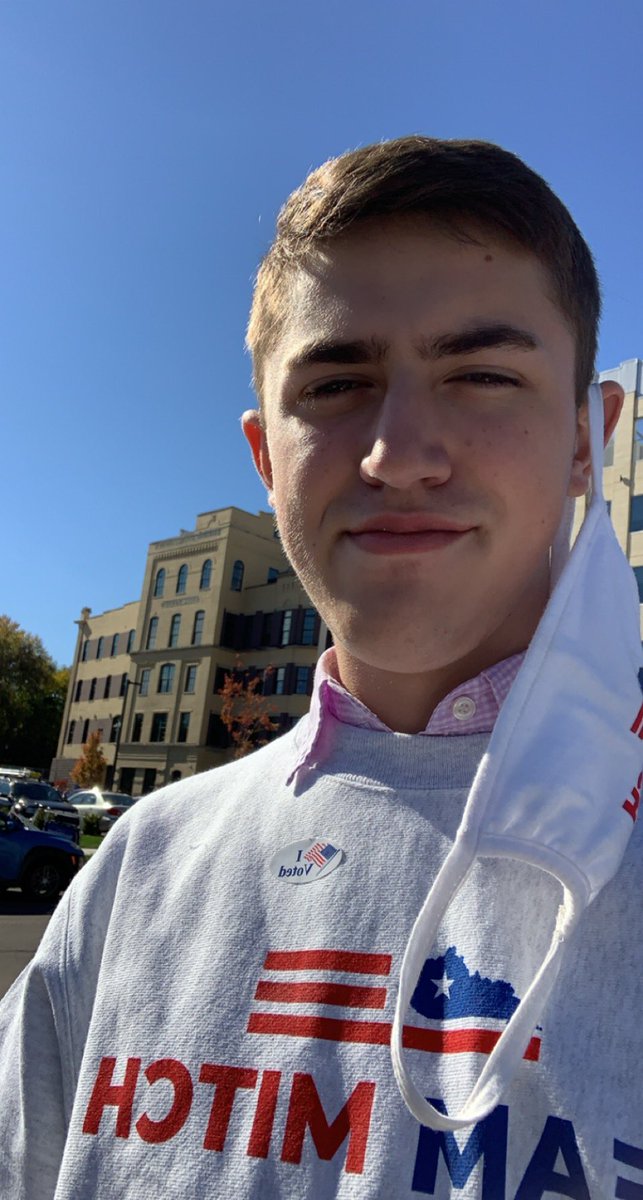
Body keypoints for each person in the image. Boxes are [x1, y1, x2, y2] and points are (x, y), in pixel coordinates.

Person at [1, 136, 641, 1199]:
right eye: (338, 383)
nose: (399, 455)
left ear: (587, 440)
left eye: (482, 375)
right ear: (265, 456)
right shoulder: (138, 865)